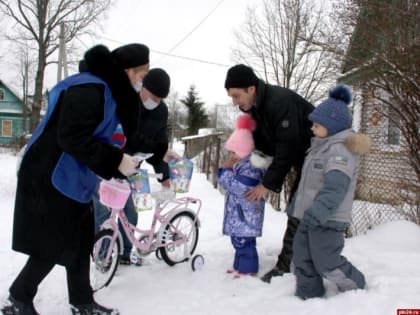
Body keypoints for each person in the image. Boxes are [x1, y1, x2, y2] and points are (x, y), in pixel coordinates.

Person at [0, 43, 162, 315]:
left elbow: (118, 137)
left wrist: (159, 152)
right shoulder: (90, 90)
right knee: (54, 240)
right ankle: (18, 298)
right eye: (140, 75)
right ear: (126, 71)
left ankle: (82, 301)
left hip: (70, 177)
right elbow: (71, 137)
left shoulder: (108, 92)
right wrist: (115, 160)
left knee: (78, 239)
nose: (140, 82)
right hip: (49, 174)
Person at [224, 64, 314, 283]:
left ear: (251, 88)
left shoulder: (278, 102)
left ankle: (286, 267)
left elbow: (287, 148)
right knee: (300, 208)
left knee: (298, 208)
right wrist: (240, 155)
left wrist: (267, 184)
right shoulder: (255, 108)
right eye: (231, 97)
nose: (235, 102)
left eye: (237, 95)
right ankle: (304, 256)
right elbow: (262, 144)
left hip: (316, 154)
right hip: (300, 154)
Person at [287, 84, 370, 299]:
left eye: (316, 125)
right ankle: (309, 296)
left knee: (326, 260)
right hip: (309, 217)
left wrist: (318, 211)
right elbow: (308, 183)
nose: (312, 128)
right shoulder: (318, 147)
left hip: (328, 219)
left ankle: (356, 287)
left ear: (331, 126)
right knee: (302, 257)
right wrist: (295, 206)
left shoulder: (340, 150)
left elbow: (335, 187)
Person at [93, 68, 177, 265]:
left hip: (133, 167)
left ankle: (124, 254)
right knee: (105, 212)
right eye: (153, 96)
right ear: (143, 87)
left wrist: (164, 175)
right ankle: (104, 256)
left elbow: (159, 142)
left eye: (160, 98)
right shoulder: (125, 101)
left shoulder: (161, 111)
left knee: (129, 212)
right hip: (109, 162)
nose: (155, 101)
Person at [217, 114, 271, 278]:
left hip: (245, 216)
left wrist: (224, 171)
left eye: (234, 153)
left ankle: (248, 270)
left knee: (245, 244)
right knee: (238, 242)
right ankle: (239, 266)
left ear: (244, 150)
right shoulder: (242, 164)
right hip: (240, 215)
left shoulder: (251, 168)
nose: (231, 156)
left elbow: (238, 187)